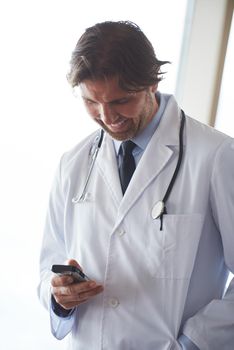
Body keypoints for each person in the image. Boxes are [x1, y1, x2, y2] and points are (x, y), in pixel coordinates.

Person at [38, 21, 234, 350]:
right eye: (91, 102)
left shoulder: (216, 157)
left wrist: (194, 344)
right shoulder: (73, 165)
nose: (106, 116)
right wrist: (59, 296)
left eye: (120, 101)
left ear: (152, 83)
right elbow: (48, 266)